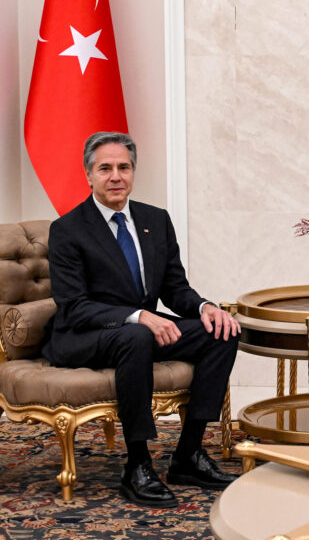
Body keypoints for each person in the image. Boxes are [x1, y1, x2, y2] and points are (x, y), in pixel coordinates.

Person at [42, 131, 242, 508]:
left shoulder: (155, 220)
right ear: (88, 175)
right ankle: (137, 464)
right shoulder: (67, 230)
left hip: (140, 333)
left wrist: (205, 308)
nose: (116, 176)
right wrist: (138, 317)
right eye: (105, 168)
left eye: (124, 167)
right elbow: (74, 306)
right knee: (136, 335)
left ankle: (189, 454)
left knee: (222, 332)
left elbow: (175, 287)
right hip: (84, 334)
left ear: (133, 172)